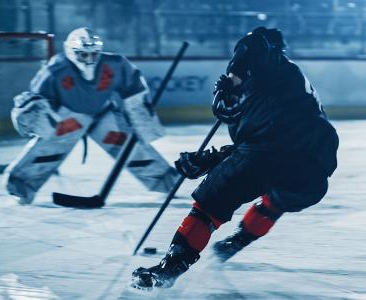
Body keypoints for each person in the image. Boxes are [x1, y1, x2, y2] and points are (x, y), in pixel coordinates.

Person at [131, 27, 339, 290]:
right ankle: (236, 242)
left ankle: (170, 269)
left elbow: (255, 46)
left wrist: (234, 78)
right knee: (275, 199)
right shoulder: (287, 86)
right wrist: (211, 160)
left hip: (270, 156)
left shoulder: (265, 63)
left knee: (208, 205)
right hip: (313, 175)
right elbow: (265, 145)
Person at [3, 27, 179, 205]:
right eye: (83, 55)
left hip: (104, 114)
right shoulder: (56, 70)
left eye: (94, 54)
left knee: (130, 149)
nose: (89, 59)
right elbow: (39, 99)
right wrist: (35, 113)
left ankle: (166, 182)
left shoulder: (114, 64)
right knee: (48, 152)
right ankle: (21, 185)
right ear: (71, 52)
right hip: (71, 118)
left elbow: (134, 88)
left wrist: (141, 121)